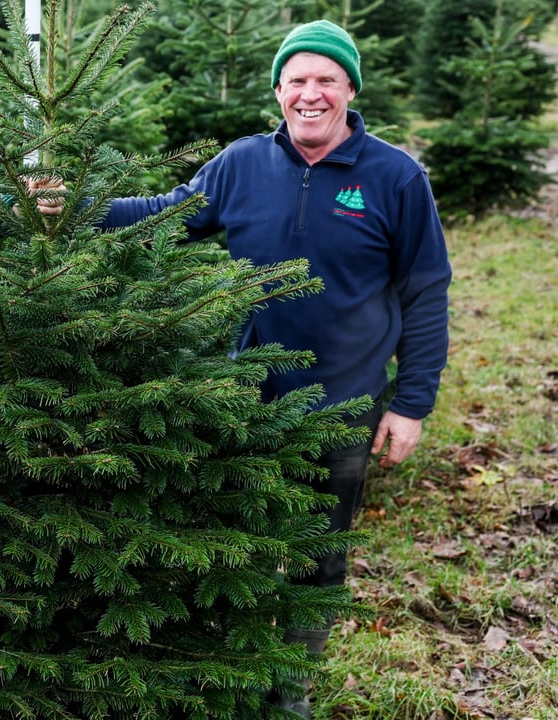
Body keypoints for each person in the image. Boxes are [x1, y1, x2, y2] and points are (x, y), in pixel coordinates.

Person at [92, 20, 452, 717]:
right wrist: (73, 209)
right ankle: (234, 673)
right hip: (248, 397)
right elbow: (168, 215)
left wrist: (412, 403)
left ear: (349, 88)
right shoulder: (242, 163)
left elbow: (425, 291)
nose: (310, 94)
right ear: (278, 92)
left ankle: (290, 689)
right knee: (242, 546)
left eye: (325, 80)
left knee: (318, 558)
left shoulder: (396, 177)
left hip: (345, 407)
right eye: (297, 81)